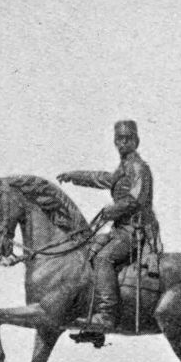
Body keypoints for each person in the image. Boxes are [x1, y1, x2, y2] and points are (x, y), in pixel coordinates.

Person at [57, 120, 160, 332]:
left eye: (127, 139)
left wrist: (113, 210)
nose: (123, 143)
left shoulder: (139, 168)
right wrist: (74, 176)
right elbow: (101, 178)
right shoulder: (123, 169)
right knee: (88, 250)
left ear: (136, 141)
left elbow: (136, 199)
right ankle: (91, 320)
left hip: (136, 231)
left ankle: (106, 315)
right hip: (120, 230)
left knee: (103, 258)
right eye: (119, 139)